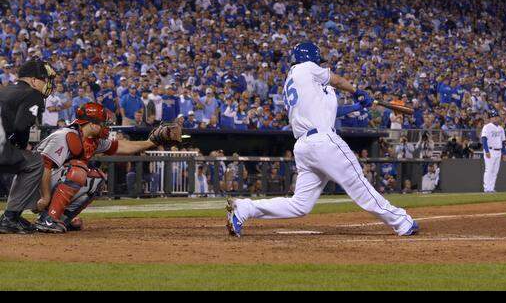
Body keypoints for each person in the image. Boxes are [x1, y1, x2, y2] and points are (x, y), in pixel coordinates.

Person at [226, 42, 418, 237]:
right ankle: (402, 222)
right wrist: (356, 91)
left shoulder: (296, 82)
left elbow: (329, 112)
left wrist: (358, 106)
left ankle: (245, 208)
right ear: (311, 59)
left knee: (300, 205)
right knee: (358, 183)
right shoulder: (306, 68)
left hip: (305, 146)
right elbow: (339, 81)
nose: (321, 65)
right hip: (323, 141)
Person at [32, 103, 181, 232]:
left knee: (97, 179)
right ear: (91, 124)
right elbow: (44, 167)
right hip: (32, 187)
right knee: (78, 169)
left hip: (46, 183)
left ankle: (61, 218)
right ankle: (48, 219)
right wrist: (45, 197)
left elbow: (123, 146)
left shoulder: (93, 140)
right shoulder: (66, 135)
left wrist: (151, 142)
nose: (106, 127)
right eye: (102, 123)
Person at [0, 60, 55, 233]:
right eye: (44, 79)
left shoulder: (7, 89)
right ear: (32, 80)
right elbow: (21, 126)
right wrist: (22, 146)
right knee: (35, 161)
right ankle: (10, 217)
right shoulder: (32, 94)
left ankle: (12, 217)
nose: (47, 84)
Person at [480, 110, 505, 193]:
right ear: (491, 118)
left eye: (497, 117)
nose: (495, 118)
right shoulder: (487, 127)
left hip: (498, 150)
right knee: (489, 169)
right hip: (490, 150)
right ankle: (487, 188)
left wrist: (503, 153)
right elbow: (484, 139)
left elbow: (503, 142)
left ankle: (491, 188)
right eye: (493, 117)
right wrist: (486, 151)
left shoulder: (501, 128)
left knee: (495, 171)